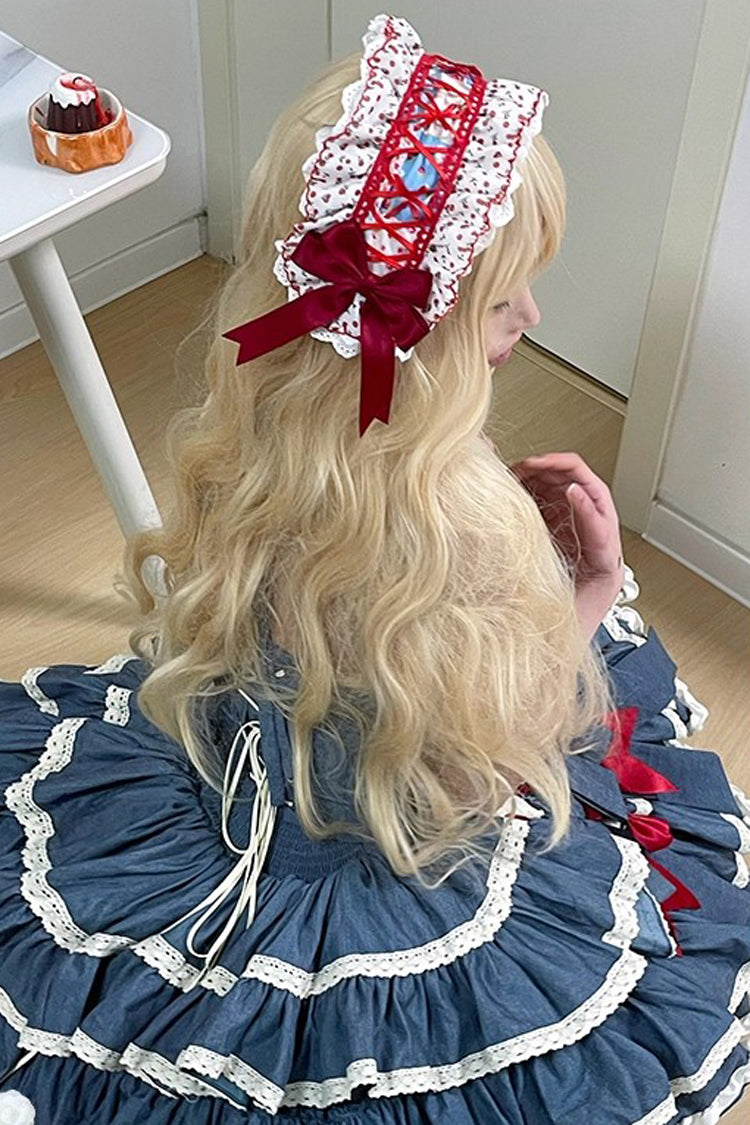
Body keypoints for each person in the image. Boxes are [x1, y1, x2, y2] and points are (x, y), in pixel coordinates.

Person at [0, 12, 748, 1124]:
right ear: (422, 331)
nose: (534, 316)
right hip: (386, 846)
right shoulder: (461, 534)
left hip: (236, 787)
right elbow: (480, 767)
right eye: (502, 299)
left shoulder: (255, 439)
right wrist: (584, 595)